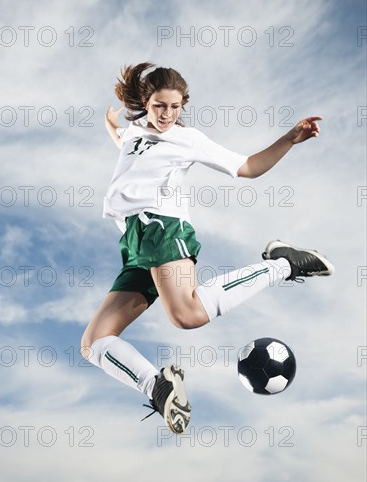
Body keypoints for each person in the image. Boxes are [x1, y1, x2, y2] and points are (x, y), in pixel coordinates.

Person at [81, 62, 334, 435]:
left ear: (183, 105)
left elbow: (247, 167)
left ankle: (283, 263)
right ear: (146, 103)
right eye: (159, 106)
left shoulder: (189, 139)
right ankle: (159, 388)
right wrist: (110, 126)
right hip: (134, 242)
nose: (167, 114)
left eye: (175, 107)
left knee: (188, 315)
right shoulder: (135, 131)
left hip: (163, 229)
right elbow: (126, 144)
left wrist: (288, 139)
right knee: (94, 343)